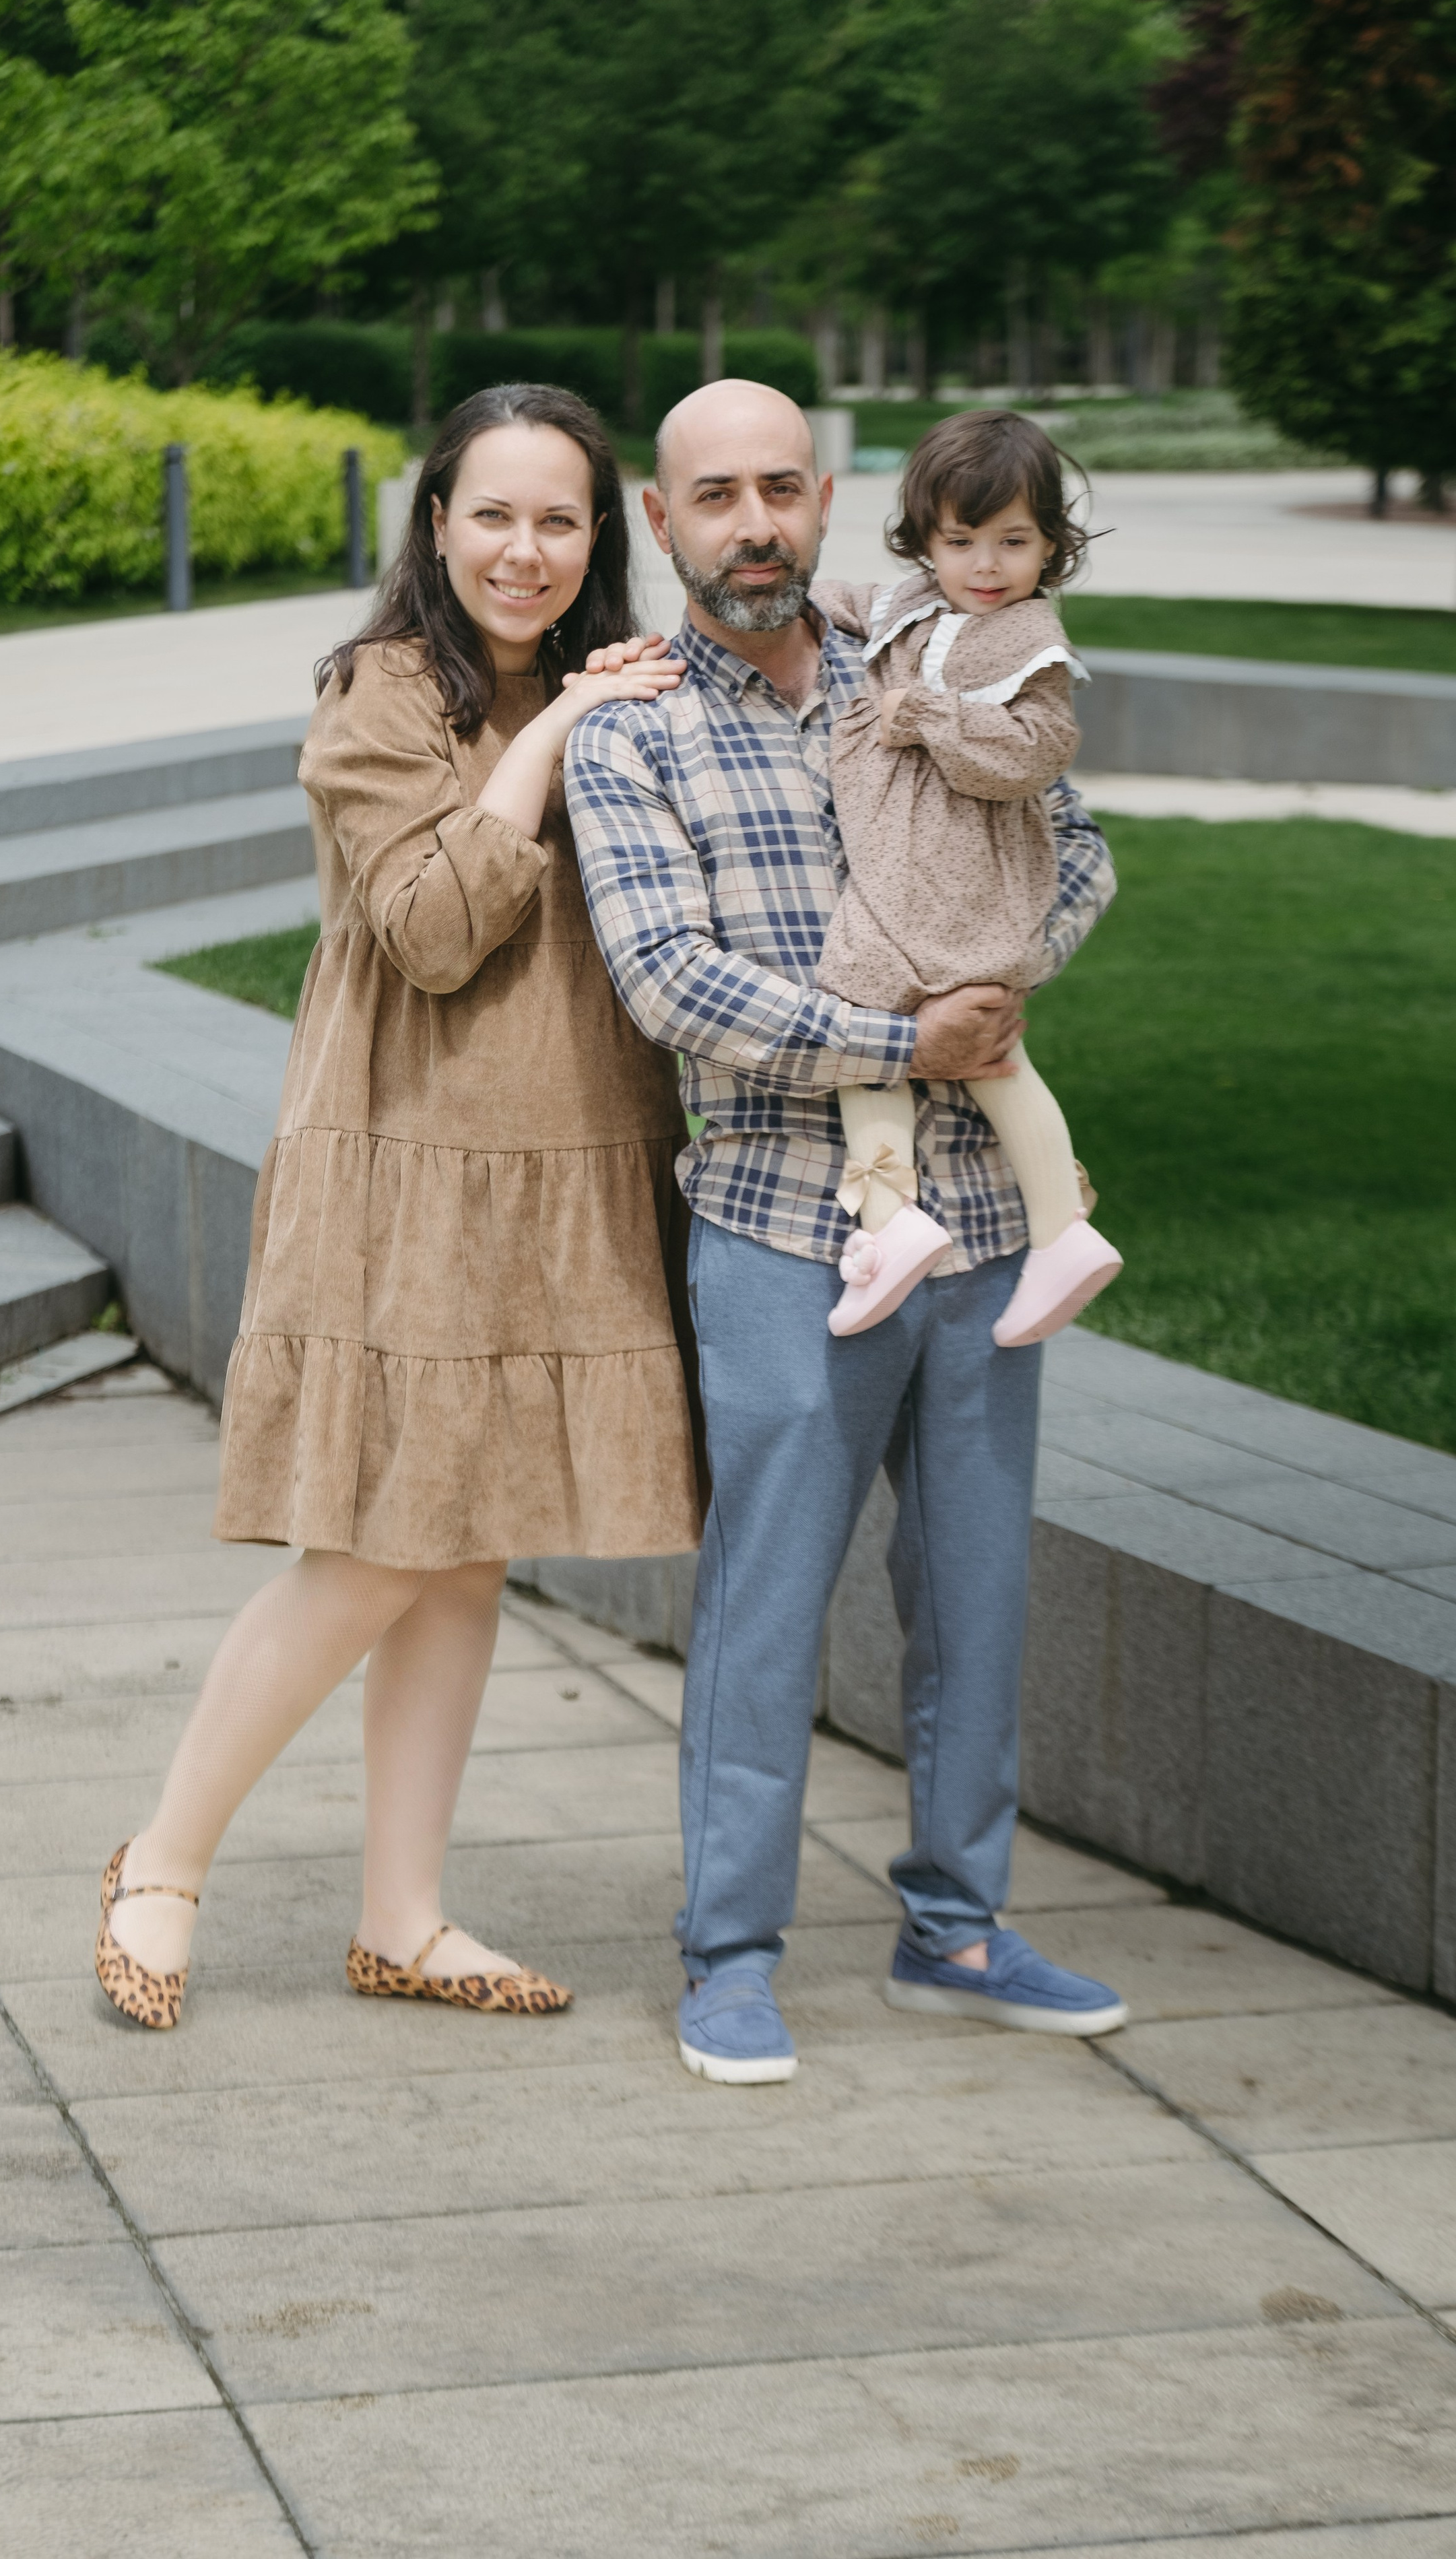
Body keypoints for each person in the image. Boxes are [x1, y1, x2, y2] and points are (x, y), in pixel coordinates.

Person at [95, 383, 701, 2032]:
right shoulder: (381, 698)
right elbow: (435, 928)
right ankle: (161, 1861)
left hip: (568, 1168)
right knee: (368, 1552)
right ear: (434, 522)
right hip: (407, 1164)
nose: (523, 549)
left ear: (601, 538)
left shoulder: (641, 693)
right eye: (491, 514)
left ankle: (404, 1918)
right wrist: (565, 734)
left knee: (464, 1555)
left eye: (558, 519)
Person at [564, 379, 1129, 2088]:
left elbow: (1080, 851)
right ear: (657, 526)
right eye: (712, 495)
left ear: (829, 502)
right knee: (765, 1601)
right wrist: (902, 1040)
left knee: (974, 1593)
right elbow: (671, 983)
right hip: (778, 1229)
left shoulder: (926, 650)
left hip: (975, 1226)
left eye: (783, 488)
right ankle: (726, 1955)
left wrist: (991, 973)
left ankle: (953, 1927)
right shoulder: (633, 728)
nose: (754, 522)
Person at [818, 409, 1122, 1348]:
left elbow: (1038, 752)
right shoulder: (920, 602)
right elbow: (859, 601)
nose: (986, 565)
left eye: (1013, 542)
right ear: (928, 541)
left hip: (960, 875)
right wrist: (807, 595)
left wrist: (931, 717)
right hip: (911, 868)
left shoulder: (1026, 641)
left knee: (888, 1024)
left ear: (1050, 547)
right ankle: (1042, 1232)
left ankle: (898, 1225)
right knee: (957, 1046)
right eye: (961, 541)